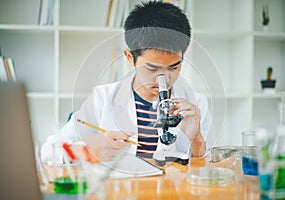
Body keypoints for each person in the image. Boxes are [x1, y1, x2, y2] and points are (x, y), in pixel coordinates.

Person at [41, 1, 211, 163]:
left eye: (174, 67)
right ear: (130, 57)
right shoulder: (103, 98)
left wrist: (196, 140)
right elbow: (48, 151)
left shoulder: (196, 104)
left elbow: (208, 168)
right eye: (152, 69)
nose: (164, 79)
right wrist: (86, 150)